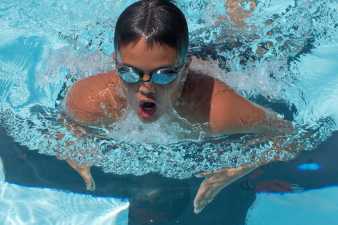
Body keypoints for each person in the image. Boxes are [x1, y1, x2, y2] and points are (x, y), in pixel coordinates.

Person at [64, 0, 292, 214]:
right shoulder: (89, 102)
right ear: (116, 63)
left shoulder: (215, 109)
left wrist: (239, 169)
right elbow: (65, 125)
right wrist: (73, 148)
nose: (146, 88)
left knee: (239, 34)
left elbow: (289, 135)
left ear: (185, 70)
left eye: (164, 75)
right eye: (129, 72)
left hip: (221, 59)